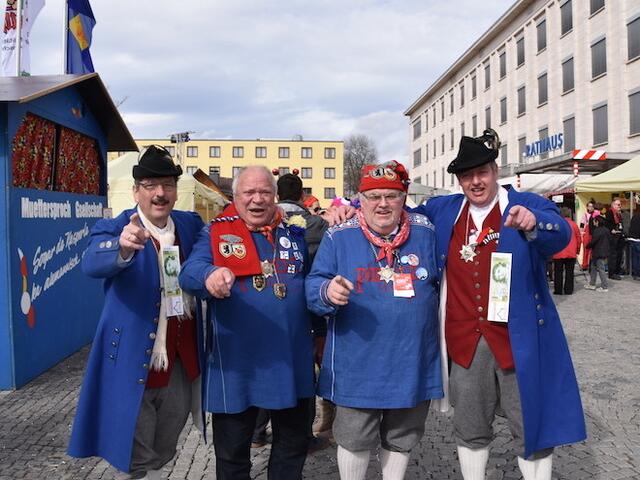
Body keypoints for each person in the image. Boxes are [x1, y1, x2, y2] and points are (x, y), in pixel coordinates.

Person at [410, 130, 586, 480]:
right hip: (465, 342)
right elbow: (398, 215)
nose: (475, 182)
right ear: (459, 180)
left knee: (530, 426)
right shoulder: (443, 210)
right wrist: (349, 214)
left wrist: (535, 224)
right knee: (470, 428)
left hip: (516, 340)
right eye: (466, 176)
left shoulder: (524, 203)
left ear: (495, 170)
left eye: (482, 173)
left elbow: (564, 233)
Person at [68, 146, 205, 480]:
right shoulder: (115, 228)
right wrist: (123, 246)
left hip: (179, 363)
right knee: (135, 456)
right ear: (136, 191)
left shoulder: (189, 224)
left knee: (165, 447)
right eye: (150, 185)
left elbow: (224, 233)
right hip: (132, 361)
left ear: (176, 190)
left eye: (168, 185)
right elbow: (92, 262)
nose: (160, 193)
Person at [306, 160, 443, 480]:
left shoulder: (426, 230)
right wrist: (327, 291)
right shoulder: (339, 236)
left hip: (413, 357)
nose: (383, 204)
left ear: (404, 197)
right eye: (374, 196)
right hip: (358, 362)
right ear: (360, 200)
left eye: (391, 196)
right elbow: (313, 285)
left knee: (402, 436)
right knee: (353, 437)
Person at [178, 165, 314, 480]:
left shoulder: (293, 232)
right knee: (232, 456)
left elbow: (309, 281)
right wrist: (209, 275)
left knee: (292, 447)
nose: (257, 200)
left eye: (264, 192)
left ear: (275, 196)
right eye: (249, 193)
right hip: (238, 365)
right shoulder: (215, 232)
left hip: (290, 360)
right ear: (235, 197)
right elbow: (189, 271)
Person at [551, 207, 581, 295]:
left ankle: (558, 290)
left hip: (559, 251)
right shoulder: (574, 225)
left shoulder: (557, 224)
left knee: (558, 272)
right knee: (569, 272)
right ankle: (568, 290)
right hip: (571, 252)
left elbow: (553, 238)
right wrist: (577, 250)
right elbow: (579, 238)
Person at [584, 213, 610, 292]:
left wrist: (587, 246)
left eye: (595, 221)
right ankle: (592, 284)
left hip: (598, 252)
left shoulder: (597, 231)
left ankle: (604, 286)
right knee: (594, 268)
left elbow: (593, 241)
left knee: (600, 269)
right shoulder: (606, 230)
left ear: (597, 222)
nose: (594, 223)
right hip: (603, 251)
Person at [605, 198, 625, 280]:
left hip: (619, 235)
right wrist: (611, 229)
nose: (620, 206)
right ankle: (612, 273)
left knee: (619, 254)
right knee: (613, 255)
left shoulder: (619, 213)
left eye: (620, 205)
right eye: (618, 204)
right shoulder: (609, 213)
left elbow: (620, 224)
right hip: (613, 237)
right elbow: (607, 223)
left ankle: (617, 271)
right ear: (613, 205)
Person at [579, 200, 596, 270]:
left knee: (593, 250)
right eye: (589, 206)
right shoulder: (585, 215)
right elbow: (582, 225)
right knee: (586, 250)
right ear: (587, 207)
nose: (591, 208)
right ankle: (584, 265)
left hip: (593, 233)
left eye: (592, 206)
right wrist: (582, 233)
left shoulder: (595, 214)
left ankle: (592, 264)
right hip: (586, 234)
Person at [627, 207, 640, 281]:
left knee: (635, 257)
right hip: (638, 239)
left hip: (632, 239)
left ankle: (635, 274)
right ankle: (637, 274)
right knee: (638, 257)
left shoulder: (634, 216)